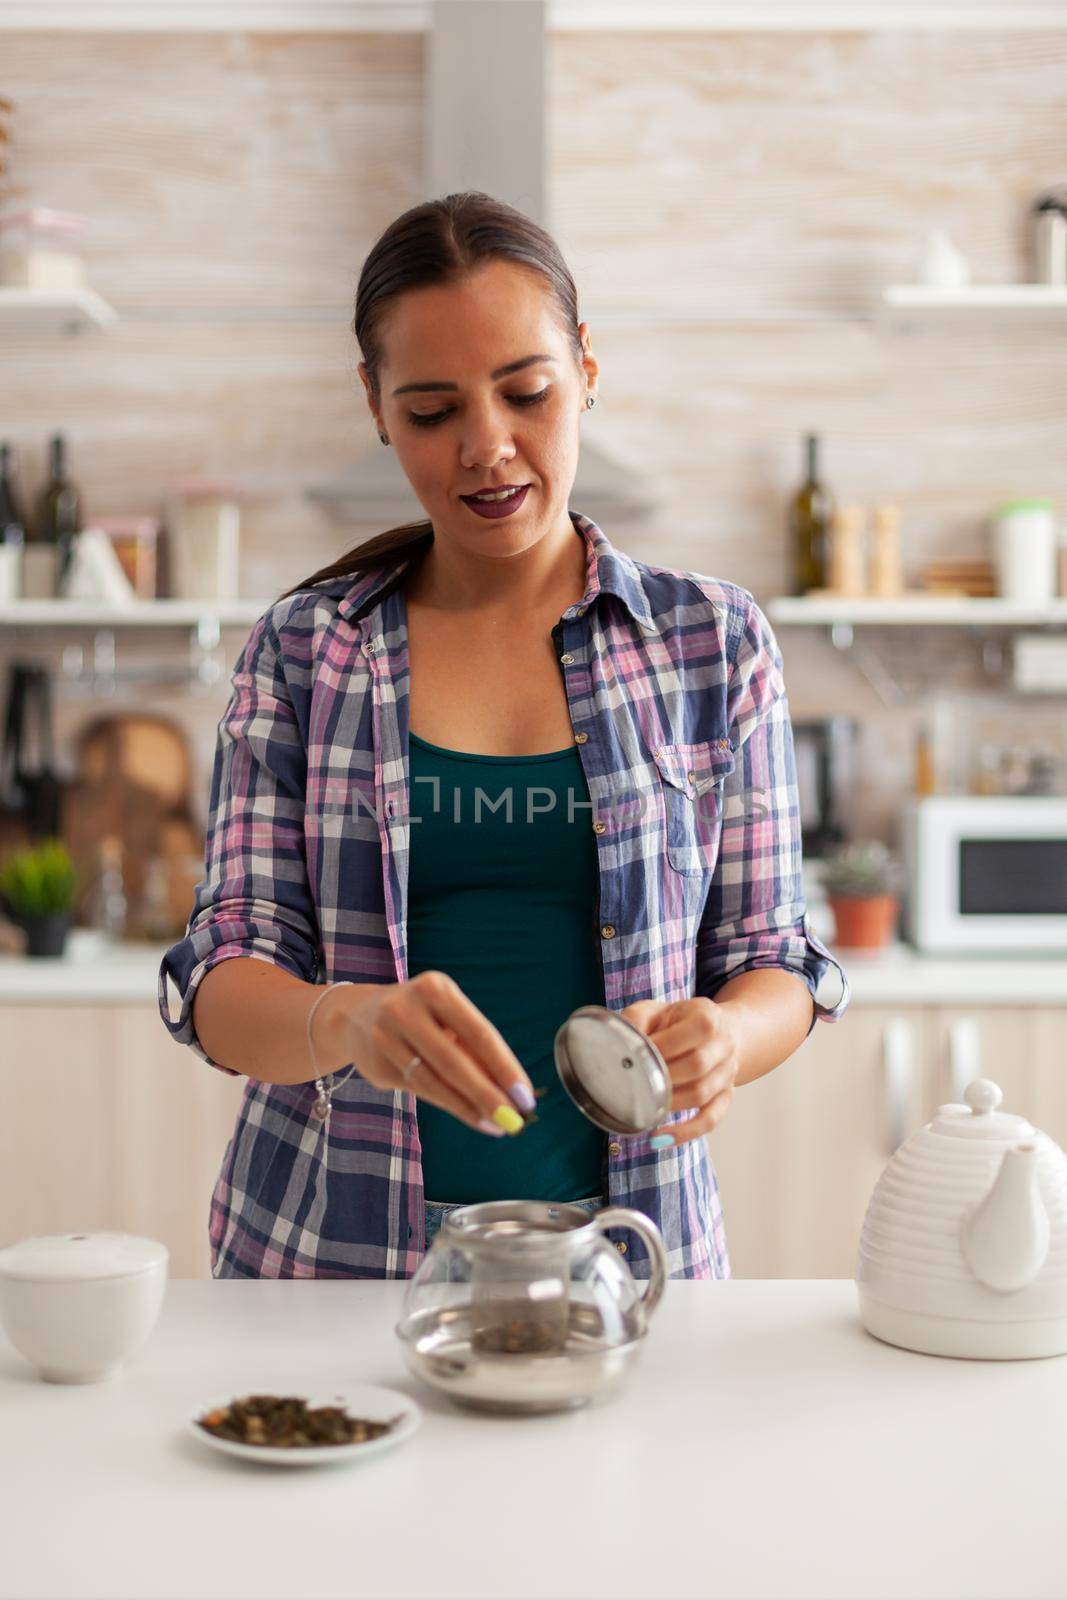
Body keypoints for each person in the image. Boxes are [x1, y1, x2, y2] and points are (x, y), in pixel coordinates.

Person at [158, 190, 848, 1281]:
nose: (487, 447)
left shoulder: (710, 644)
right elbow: (221, 977)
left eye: (524, 391)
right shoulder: (303, 652)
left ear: (583, 366)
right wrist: (346, 1020)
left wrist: (729, 1039)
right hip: (326, 1263)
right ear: (375, 406)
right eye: (432, 411)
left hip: (626, 1261)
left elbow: (773, 957)